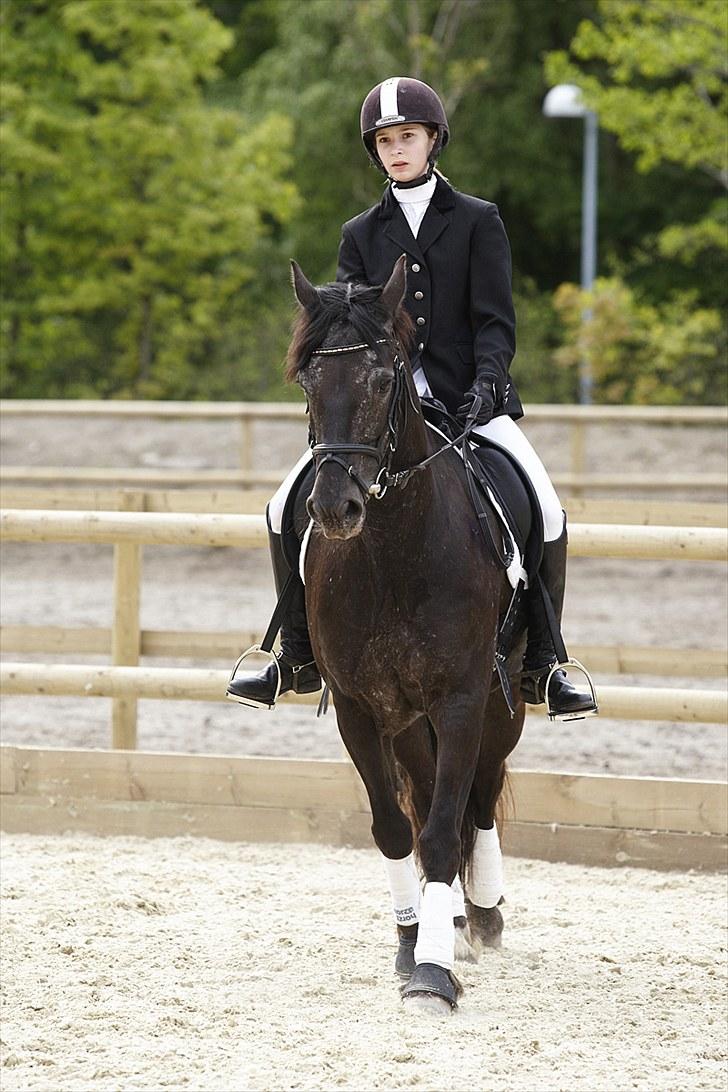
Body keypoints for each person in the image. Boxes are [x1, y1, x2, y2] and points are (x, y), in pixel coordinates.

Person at [227, 76, 597, 720]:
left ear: (432, 140)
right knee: (281, 506)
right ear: (375, 151)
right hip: (379, 410)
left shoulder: (479, 220)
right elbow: (345, 321)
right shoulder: (360, 233)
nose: (396, 150)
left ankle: (547, 660)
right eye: (385, 141)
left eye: (407, 137)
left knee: (549, 506)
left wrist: (488, 383)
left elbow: (495, 321)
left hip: (469, 402)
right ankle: (295, 653)